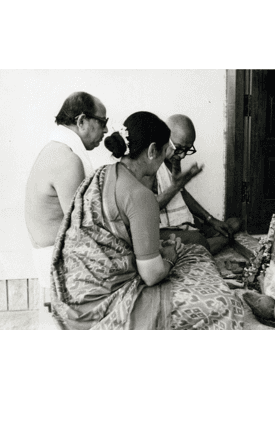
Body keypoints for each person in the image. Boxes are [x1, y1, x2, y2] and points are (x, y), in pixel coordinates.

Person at [48, 111, 244, 329]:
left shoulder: (103, 174)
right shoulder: (141, 196)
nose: (165, 159)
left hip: (75, 294)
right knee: (223, 303)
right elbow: (151, 276)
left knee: (196, 247)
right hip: (104, 303)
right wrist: (170, 256)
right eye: (164, 152)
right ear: (152, 151)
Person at [25, 92, 108, 295]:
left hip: (52, 258)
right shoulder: (67, 159)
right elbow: (83, 227)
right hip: (60, 264)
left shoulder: (55, 149)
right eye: (102, 122)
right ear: (81, 121)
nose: (106, 130)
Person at [153, 114, 239, 255]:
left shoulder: (172, 159)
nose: (182, 156)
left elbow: (182, 194)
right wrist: (176, 186)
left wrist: (210, 219)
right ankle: (196, 247)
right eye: (179, 148)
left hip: (180, 224)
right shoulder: (150, 163)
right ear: (165, 137)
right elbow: (150, 207)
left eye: (187, 150)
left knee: (234, 224)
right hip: (158, 229)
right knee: (199, 238)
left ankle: (196, 246)